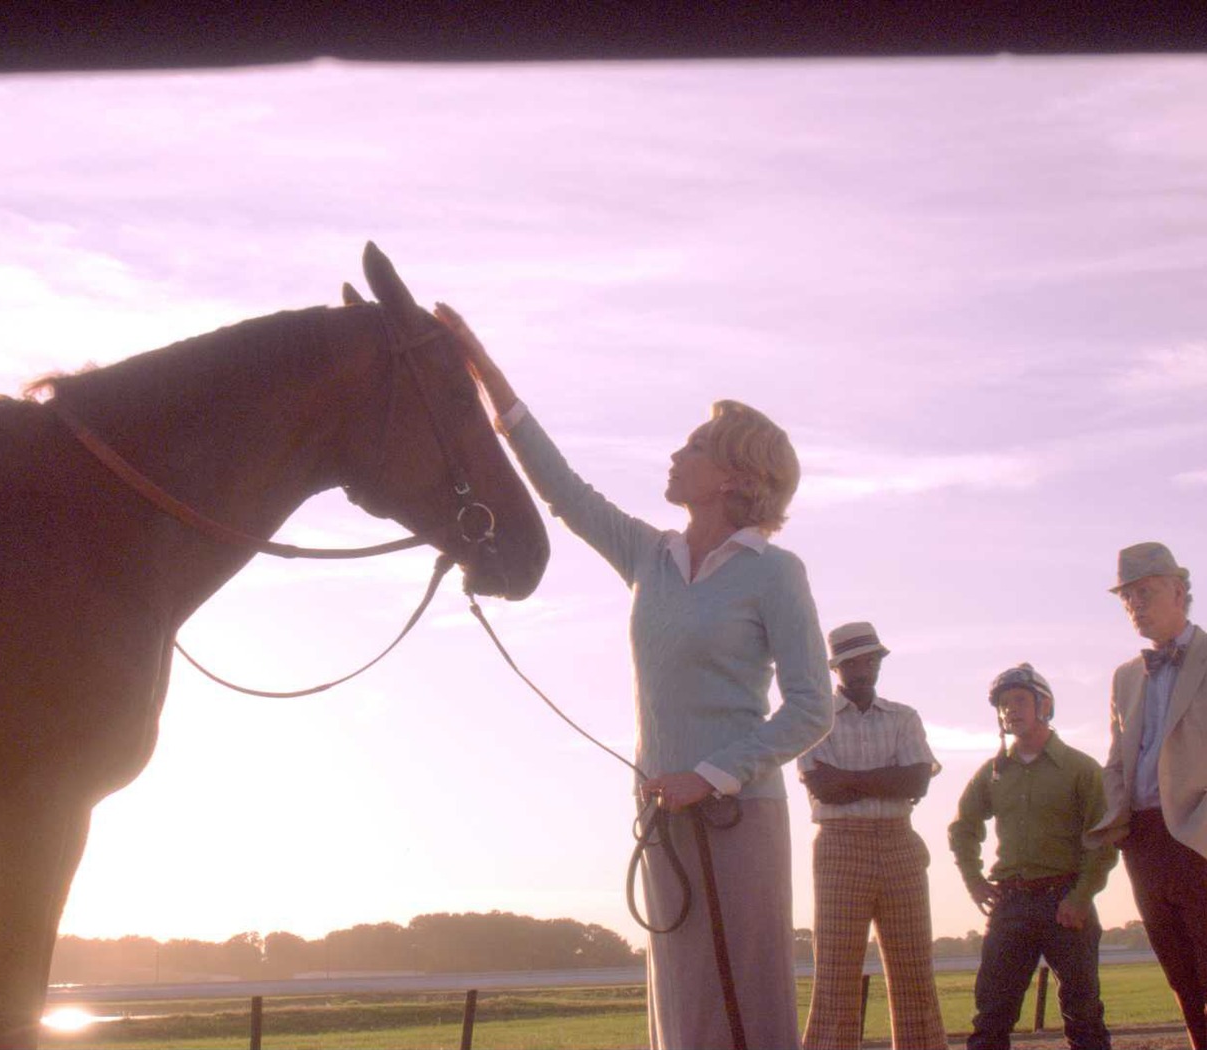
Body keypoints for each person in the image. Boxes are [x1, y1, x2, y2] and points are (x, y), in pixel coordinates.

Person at [436, 302, 834, 1050]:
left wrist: (711, 774)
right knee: (681, 1007)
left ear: (733, 478)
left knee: (745, 1005)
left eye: (695, 447)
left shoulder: (775, 574)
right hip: (661, 810)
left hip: (737, 816)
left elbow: (814, 709)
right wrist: (487, 374)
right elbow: (563, 489)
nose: (676, 455)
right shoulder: (650, 557)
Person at [1085, 542, 1207, 1049]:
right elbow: (1117, 760)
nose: (1135, 604)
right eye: (1127, 597)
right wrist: (1121, 821)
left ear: (1178, 590)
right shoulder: (1126, 676)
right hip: (1146, 844)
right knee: (1184, 984)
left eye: (1145, 592)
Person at [949, 663, 1116, 1050]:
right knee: (991, 1015)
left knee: (1083, 1014)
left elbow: (1103, 840)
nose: (1011, 710)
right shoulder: (992, 773)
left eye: (1020, 700)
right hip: (1011, 904)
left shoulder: (1080, 768)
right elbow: (963, 827)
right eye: (1004, 704)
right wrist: (974, 880)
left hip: (1066, 903)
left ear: (1045, 705)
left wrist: (1080, 897)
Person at [799, 621, 947, 1050]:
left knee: (914, 970)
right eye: (851, 662)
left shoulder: (904, 716)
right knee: (835, 972)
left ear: (879, 661)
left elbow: (917, 781)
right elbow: (822, 788)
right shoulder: (815, 717)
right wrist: (887, 778)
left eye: (869, 659)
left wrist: (849, 780)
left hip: (900, 840)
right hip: (840, 844)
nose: (862, 668)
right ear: (837, 668)